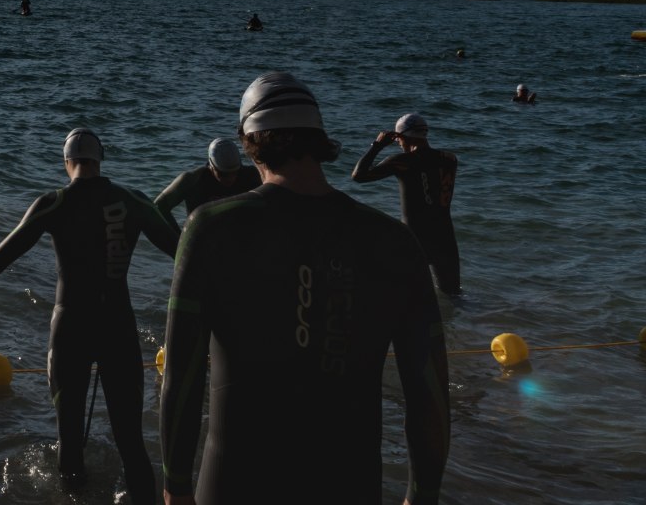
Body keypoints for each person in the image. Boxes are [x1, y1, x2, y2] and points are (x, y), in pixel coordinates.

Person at [159, 72, 449, 505]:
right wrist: (423, 494)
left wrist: (175, 485)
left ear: (248, 142)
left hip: (235, 481)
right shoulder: (394, 241)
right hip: (349, 482)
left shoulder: (212, 228)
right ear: (318, 140)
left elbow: (181, 376)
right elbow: (429, 391)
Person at [0, 128, 178, 497]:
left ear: (66, 163)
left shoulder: (54, 203)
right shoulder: (132, 201)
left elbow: (0, 257)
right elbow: (185, 251)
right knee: (131, 444)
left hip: (71, 328)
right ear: (99, 160)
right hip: (118, 328)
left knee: (69, 443)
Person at [351, 113, 461, 295]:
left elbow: (358, 176)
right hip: (445, 237)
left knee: (401, 296)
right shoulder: (450, 159)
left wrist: (377, 146)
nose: (398, 145)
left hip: (415, 238)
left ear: (401, 137)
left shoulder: (402, 162)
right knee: (453, 296)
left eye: (397, 140)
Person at [153, 138, 261, 223]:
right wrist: (179, 240)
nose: (230, 178)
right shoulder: (192, 180)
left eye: (235, 172)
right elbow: (159, 207)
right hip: (203, 240)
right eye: (223, 174)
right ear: (211, 165)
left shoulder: (253, 175)